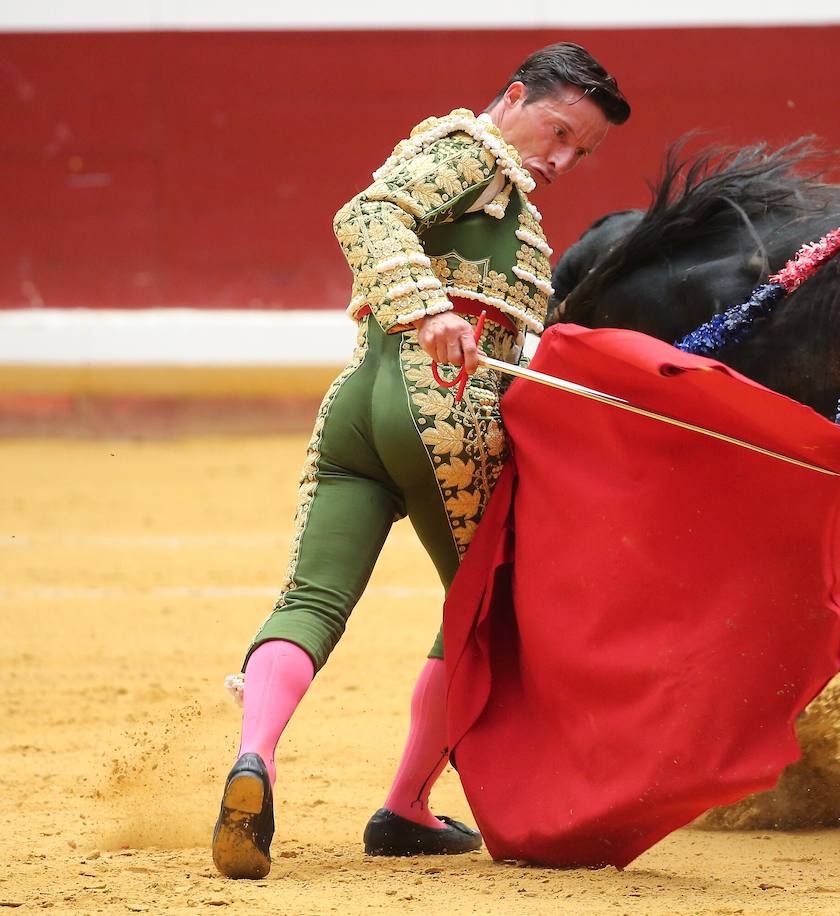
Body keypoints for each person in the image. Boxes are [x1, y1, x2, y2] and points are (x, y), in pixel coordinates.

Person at [211, 42, 631, 880]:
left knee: (312, 599)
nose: (560, 159)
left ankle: (253, 756)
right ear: (513, 99)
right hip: (438, 414)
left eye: (580, 151)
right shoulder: (475, 158)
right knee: (483, 610)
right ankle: (405, 806)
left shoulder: (484, 181)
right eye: (557, 132)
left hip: (357, 410)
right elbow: (366, 214)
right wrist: (431, 309)